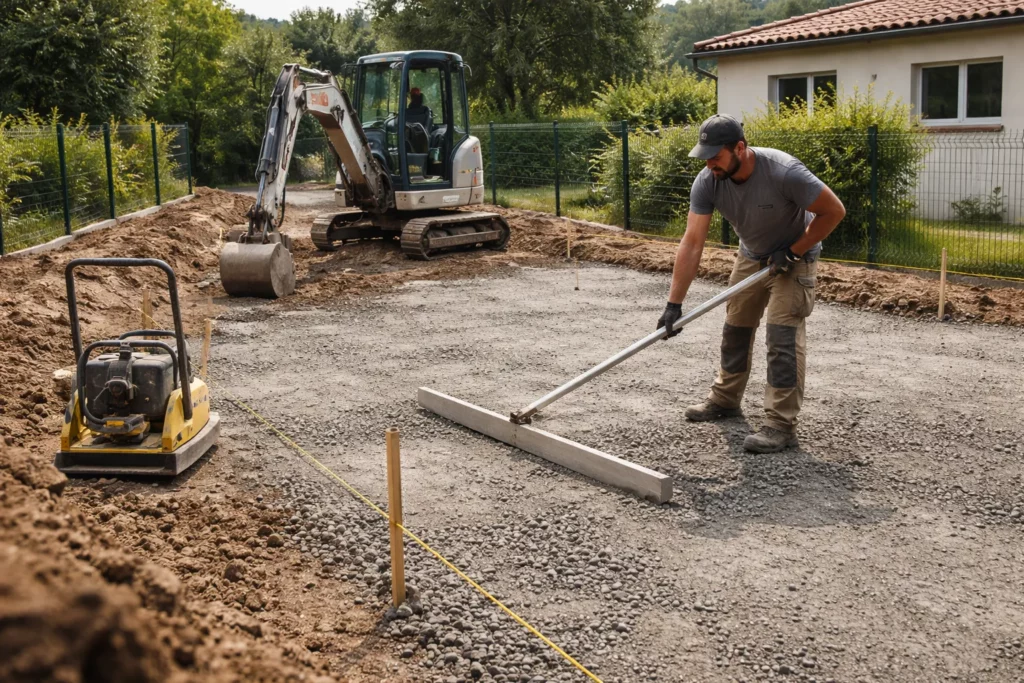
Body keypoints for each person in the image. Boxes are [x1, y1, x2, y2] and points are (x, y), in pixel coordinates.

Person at [657, 113, 846, 453]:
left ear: (740, 148)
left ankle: (780, 424)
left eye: (716, 156)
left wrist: (793, 250)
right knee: (736, 328)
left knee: (781, 337)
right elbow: (693, 242)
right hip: (751, 256)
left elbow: (833, 211)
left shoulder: (783, 171)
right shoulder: (708, 180)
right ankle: (726, 399)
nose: (709, 164)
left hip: (796, 257)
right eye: (705, 156)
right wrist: (674, 304)